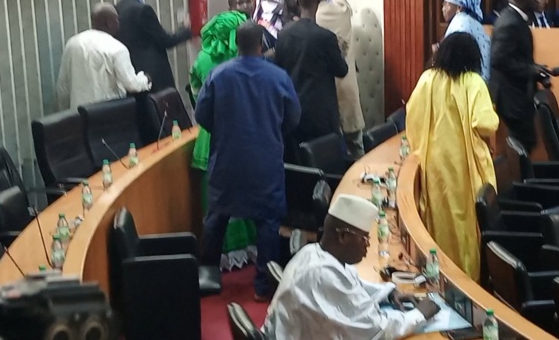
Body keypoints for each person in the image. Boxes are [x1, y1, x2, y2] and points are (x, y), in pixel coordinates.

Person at [195, 22, 301, 301]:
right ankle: (263, 287)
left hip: (227, 160)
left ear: (237, 44)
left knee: (216, 218)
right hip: (265, 161)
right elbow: (293, 118)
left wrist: (223, 131)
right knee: (267, 223)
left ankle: (207, 277)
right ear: (261, 44)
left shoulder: (218, 75)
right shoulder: (278, 77)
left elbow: (202, 115)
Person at [261, 194, 440, 339]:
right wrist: (420, 314)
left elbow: (353, 287)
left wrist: (390, 292)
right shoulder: (322, 274)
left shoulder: (314, 253)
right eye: (364, 238)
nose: (367, 245)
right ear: (343, 237)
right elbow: (377, 331)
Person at [406, 33, 498, 280]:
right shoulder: (473, 82)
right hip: (464, 164)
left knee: (440, 219)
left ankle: (440, 274)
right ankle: (468, 278)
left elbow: (412, 114)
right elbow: (486, 124)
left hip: (434, 162)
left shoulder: (428, 79)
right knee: (464, 223)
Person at [189, 0, 257, 269]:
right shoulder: (245, 59)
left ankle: (221, 255)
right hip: (243, 138)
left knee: (216, 202)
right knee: (247, 194)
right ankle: (249, 248)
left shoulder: (205, 59)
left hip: (210, 139)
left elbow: (196, 96)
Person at [275, 0, 348, 162]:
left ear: (298, 3)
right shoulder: (325, 37)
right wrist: (342, 52)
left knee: (299, 168)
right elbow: (342, 70)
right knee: (327, 167)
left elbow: (278, 71)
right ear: (317, 2)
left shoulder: (283, 35)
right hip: (321, 116)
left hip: (293, 113)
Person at [56, 2, 151, 109]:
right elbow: (132, 85)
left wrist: (65, 113)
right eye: (117, 19)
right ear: (109, 23)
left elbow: (62, 87)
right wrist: (145, 80)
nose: (119, 23)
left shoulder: (72, 44)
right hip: (107, 116)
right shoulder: (117, 48)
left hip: (79, 115)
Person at [314, 0, 366, 158]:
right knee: (357, 146)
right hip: (347, 88)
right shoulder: (341, 12)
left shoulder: (313, 19)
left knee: (332, 153)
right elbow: (342, 1)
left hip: (325, 96)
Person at [115, 0, 192, 92]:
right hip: (153, 75)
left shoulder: (117, 8)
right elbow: (165, 40)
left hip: (132, 74)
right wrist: (186, 29)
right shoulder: (143, 10)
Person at [489, 0, 542, 154]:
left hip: (517, 95)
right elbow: (498, 59)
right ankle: (522, 180)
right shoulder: (509, 22)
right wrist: (530, 70)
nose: (539, 1)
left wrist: (537, 70)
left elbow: (516, 56)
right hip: (511, 98)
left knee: (526, 144)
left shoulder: (516, 19)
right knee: (521, 147)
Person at [442, 0, 491, 81]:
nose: (443, 9)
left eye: (446, 4)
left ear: (459, 8)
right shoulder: (471, 21)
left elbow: (452, 59)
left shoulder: (460, 22)